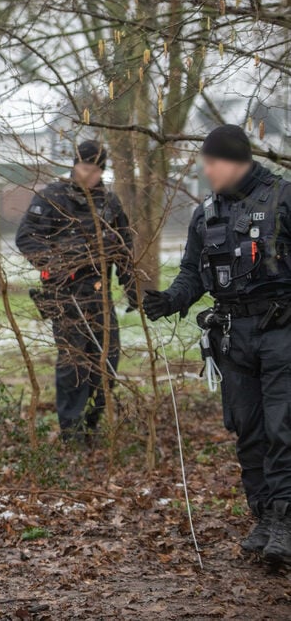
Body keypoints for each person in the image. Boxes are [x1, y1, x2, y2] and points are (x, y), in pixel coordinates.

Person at [143, 125, 291, 564]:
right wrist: (172, 299)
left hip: (282, 332)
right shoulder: (206, 214)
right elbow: (193, 272)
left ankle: (285, 520)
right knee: (248, 429)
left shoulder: (283, 198)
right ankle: (263, 516)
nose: (207, 171)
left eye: (211, 163)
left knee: (283, 428)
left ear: (235, 161)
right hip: (232, 335)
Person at [16, 140, 137, 441]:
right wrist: (62, 261)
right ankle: (71, 432)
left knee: (107, 362)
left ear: (102, 171)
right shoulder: (53, 197)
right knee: (73, 365)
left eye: (95, 170)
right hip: (65, 294)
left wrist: (131, 286)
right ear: (74, 165)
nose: (88, 175)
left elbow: (124, 247)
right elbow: (26, 238)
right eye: (84, 167)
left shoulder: (109, 203)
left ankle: (91, 425)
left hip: (100, 294)